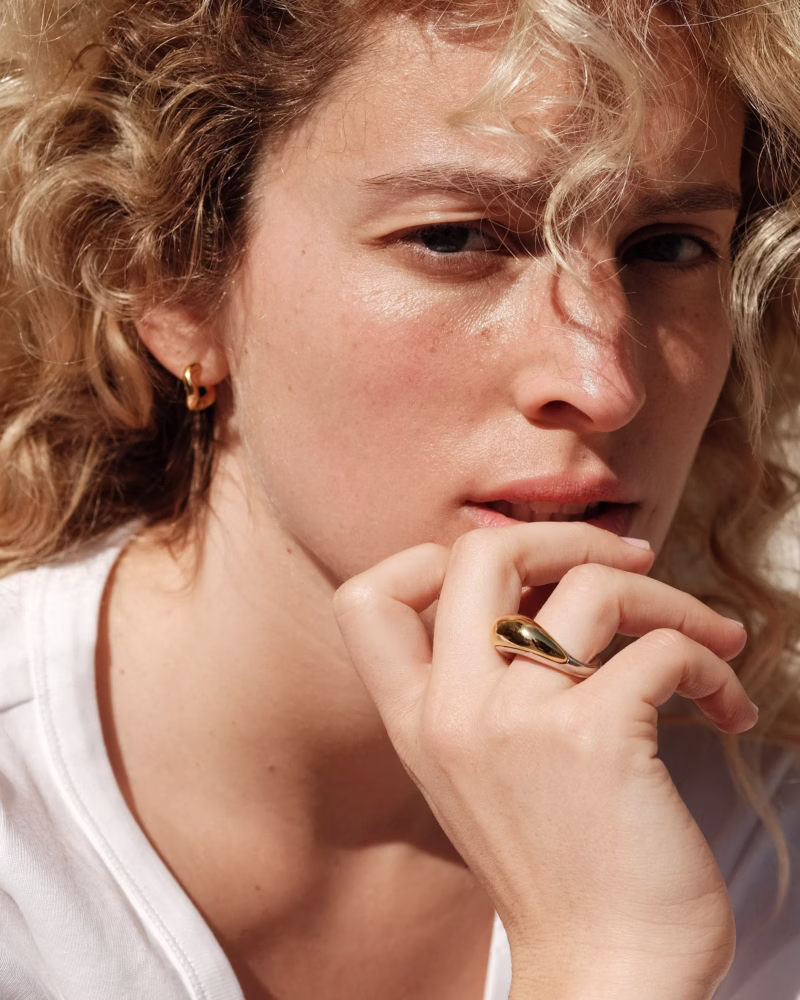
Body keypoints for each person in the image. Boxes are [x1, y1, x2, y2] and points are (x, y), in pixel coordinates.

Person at [1, 0, 799, 997]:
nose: (604, 383)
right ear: (169, 277)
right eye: (456, 237)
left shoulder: (756, 840)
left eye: (666, 247)